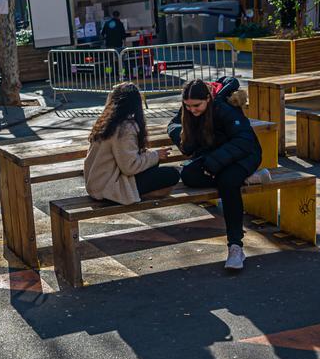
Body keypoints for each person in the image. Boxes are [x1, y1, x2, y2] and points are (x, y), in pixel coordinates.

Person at [168, 80, 266, 271]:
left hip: (245, 155)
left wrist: (213, 163)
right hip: (217, 156)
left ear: (208, 98)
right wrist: (184, 135)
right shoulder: (189, 111)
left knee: (228, 182)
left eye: (196, 105)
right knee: (189, 175)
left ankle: (236, 247)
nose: (192, 110)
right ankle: (250, 178)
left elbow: (244, 141)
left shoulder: (224, 109)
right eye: (187, 106)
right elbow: (172, 125)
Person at [84, 82, 179, 205]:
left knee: (154, 166)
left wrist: (153, 156)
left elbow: (126, 158)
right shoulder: (125, 127)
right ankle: (136, 196)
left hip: (97, 184)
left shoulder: (106, 121)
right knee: (172, 175)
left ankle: (140, 193)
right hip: (109, 188)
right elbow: (130, 167)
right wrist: (155, 155)